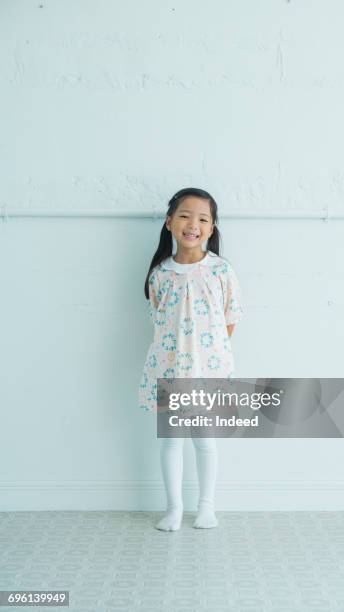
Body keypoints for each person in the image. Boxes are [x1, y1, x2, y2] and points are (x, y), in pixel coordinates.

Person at [139, 187, 244, 531]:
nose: (192, 224)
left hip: (207, 372)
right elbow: (158, 320)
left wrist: (206, 360)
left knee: (204, 440)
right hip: (169, 369)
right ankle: (173, 509)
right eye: (185, 215)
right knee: (171, 441)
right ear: (169, 222)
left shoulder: (221, 271)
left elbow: (230, 319)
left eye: (203, 219)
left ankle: (206, 507)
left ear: (211, 229)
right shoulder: (160, 274)